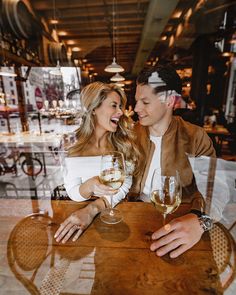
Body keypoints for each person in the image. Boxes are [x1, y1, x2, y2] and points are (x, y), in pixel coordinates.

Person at [131, 64, 216, 258]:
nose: (136, 108)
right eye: (136, 101)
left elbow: (215, 188)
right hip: (134, 221)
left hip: (182, 224)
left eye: (145, 102)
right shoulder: (129, 135)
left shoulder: (196, 137)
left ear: (169, 101)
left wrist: (201, 220)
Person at [54, 81, 142, 243]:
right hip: (78, 220)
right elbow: (73, 192)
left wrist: (93, 208)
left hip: (116, 216)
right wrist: (89, 185)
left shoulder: (123, 142)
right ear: (94, 108)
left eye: (120, 106)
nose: (121, 112)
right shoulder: (71, 144)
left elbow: (125, 185)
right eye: (114, 106)